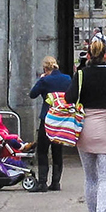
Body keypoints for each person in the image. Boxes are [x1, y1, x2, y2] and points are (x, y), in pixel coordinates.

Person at [65, 37, 106, 212]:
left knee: (90, 178)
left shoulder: (81, 74)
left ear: (88, 56)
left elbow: (69, 98)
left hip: (85, 127)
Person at [29, 54, 71, 191]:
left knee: (42, 150)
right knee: (57, 150)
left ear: (46, 68)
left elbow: (32, 94)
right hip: (61, 119)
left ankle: (42, 182)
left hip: (47, 118)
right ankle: (56, 182)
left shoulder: (45, 80)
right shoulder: (67, 79)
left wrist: (41, 80)